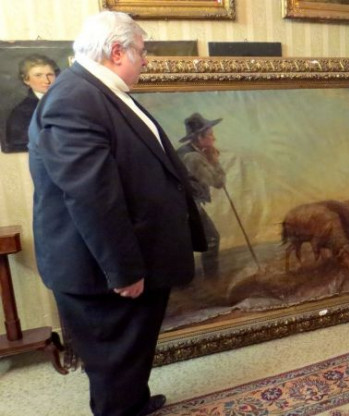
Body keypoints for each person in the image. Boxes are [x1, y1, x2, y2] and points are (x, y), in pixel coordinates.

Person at [27, 11, 206, 416]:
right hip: (102, 267)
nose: (146, 60)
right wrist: (123, 270)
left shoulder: (98, 90)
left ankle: (133, 403)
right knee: (114, 357)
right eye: (142, 51)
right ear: (117, 51)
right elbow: (92, 197)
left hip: (132, 251)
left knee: (131, 350)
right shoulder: (74, 99)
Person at [177, 112, 226, 278]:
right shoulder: (193, 157)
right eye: (210, 134)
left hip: (180, 205)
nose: (214, 138)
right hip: (184, 206)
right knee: (211, 239)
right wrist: (214, 161)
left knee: (193, 240)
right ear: (199, 137)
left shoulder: (186, 152)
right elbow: (218, 182)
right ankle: (212, 282)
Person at [2, 54, 59, 153]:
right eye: (38, 75)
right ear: (26, 80)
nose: (46, 81)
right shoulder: (21, 112)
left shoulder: (66, 101)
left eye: (50, 75)